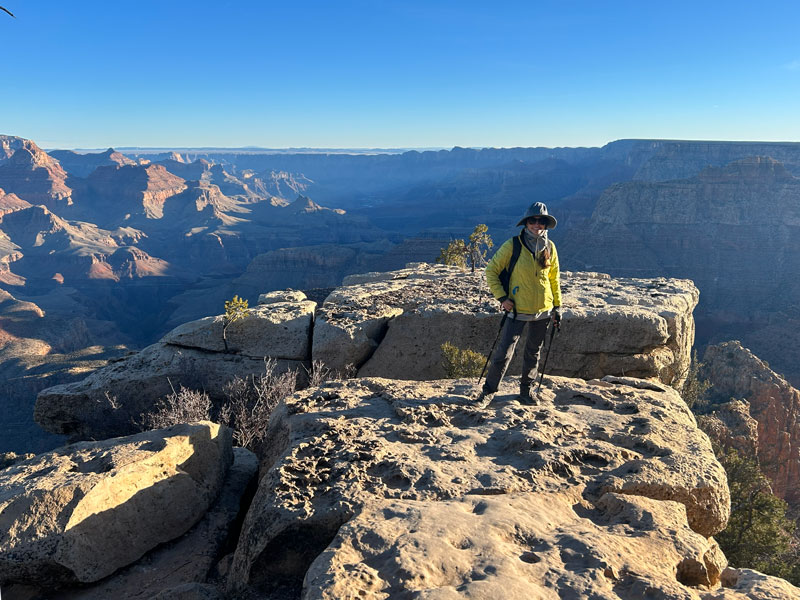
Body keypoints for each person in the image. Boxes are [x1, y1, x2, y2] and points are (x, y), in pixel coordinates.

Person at [475, 201, 562, 407]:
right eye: (533, 220)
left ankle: (526, 392)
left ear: (546, 225)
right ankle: (488, 392)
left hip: (543, 310)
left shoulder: (550, 247)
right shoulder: (512, 245)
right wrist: (502, 298)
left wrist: (557, 307)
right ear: (526, 223)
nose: (537, 225)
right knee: (504, 353)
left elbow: (554, 278)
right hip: (517, 309)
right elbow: (491, 271)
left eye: (541, 221)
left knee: (533, 352)